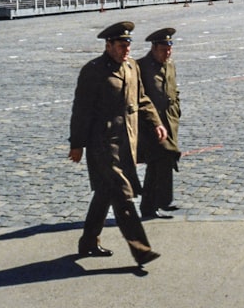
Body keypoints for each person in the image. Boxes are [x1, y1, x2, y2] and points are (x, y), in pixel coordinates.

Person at [68, 21, 167, 266]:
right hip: (102, 145)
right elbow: (81, 111)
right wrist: (77, 144)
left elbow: (141, 98)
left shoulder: (131, 67)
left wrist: (155, 122)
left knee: (104, 193)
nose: (127, 50)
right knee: (123, 196)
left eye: (128, 45)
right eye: (122, 45)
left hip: (127, 143)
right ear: (108, 45)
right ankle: (141, 249)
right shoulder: (93, 71)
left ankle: (88, 241)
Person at [137, 27, 182, 219]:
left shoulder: (169, 64)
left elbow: (173, 89)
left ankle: (162, 200)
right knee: (158, 161)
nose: (168, 53)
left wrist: (177, 109)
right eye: (164, 50)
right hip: (151, 125)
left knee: (165, 160)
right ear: (154, 48)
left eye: (169, 49)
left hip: (169, 121)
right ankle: (150, 206)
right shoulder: (141, 67)